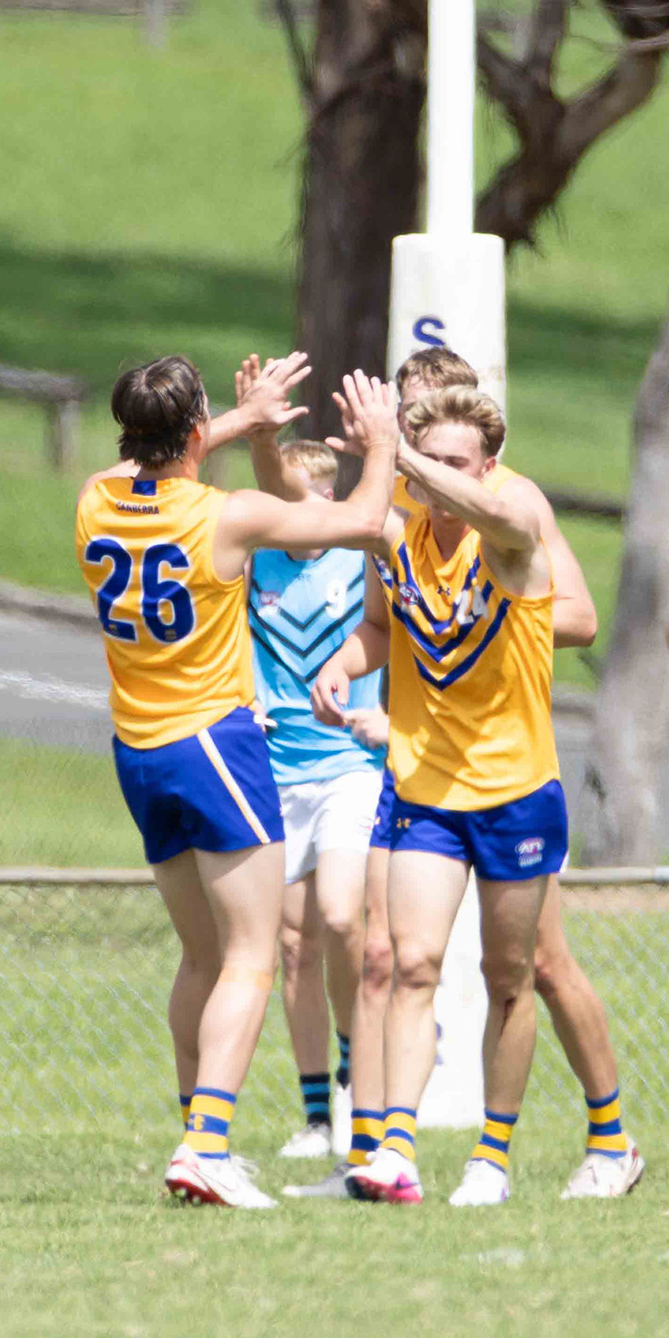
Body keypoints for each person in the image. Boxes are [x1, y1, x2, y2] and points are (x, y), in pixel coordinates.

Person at [75, 355, 396, 1209]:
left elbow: (149, 460)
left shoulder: (95, 497)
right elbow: (365, 519)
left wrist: (239, 423)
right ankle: (207, 1145)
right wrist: (382, 441)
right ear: (192, 430)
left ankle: (196, 1134)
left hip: (137, 752)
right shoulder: (226, 515)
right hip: (215, 743)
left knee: (203, 956)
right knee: (253, 954)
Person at [340, 346, 646, 1201]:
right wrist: (345, 659)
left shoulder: (513, 514)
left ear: (486, 461)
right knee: (408, 961)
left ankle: (533, 1149)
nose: (430, 462)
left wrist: (400, 457)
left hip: (513, 786)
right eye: (411, 428)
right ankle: (394, 1149)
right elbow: (371, 601)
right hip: (426, 783)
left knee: (522, 973)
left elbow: (573, 607)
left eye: (451, 454)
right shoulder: (392, 523)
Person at [247, 427, 390, 1164]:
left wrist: (386, 717)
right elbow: (228, 641)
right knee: (293, 946)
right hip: (276, 771)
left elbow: (397, 639)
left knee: (340, 914)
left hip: (350, 766)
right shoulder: (254, 563)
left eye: (301, 501)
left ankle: (354, 1051)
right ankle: (316, 1118)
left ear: (331, 500)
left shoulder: (359, 559)